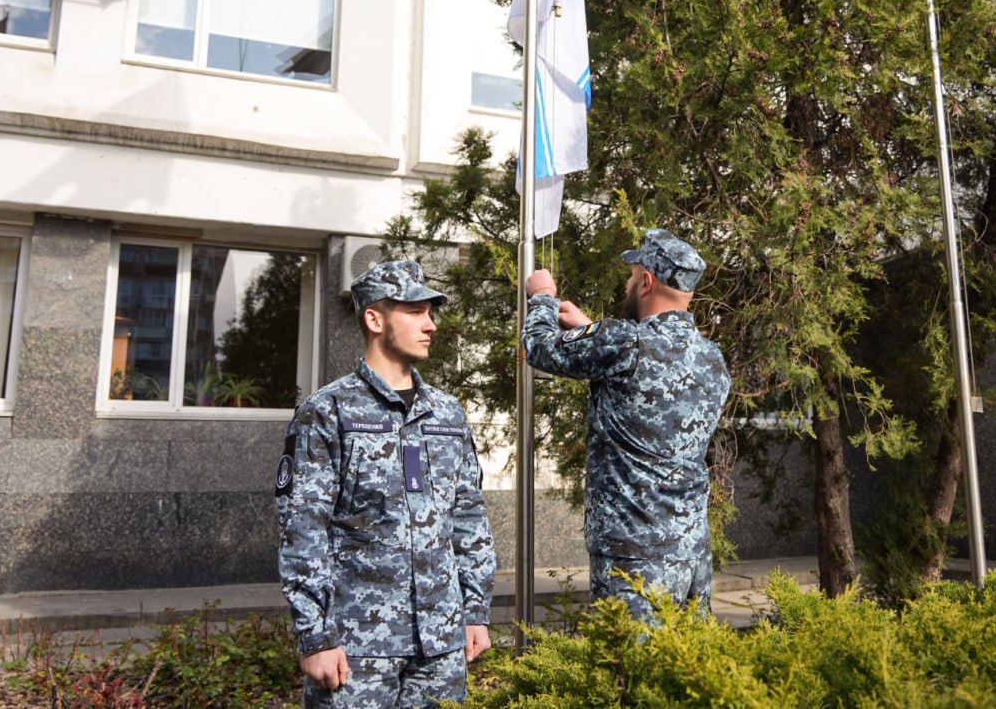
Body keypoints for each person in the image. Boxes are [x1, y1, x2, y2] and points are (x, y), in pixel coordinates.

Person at [275, 260, 496, 708]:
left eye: (430, 312)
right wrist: (315, 635)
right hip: (356, 645)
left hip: (440, 643)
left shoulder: (448, 414)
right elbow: (302, 526)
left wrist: (474, 610)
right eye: (415, 312)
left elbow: (469, 514)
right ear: (375, 319)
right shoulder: (328, 412)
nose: (430, 324)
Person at [522, 229, 731, 621]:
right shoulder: (712, 358)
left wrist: (543, 296)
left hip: (635, 556)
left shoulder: (622, 343)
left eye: (632, 276)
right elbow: (644, 382)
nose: (628, 283)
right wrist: (588, 329)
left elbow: (539, 347)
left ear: (647, 282)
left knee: (629, 673)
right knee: (682, 671)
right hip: (691, 555)